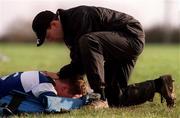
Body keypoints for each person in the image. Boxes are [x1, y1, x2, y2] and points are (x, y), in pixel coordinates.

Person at [32, 5, 175, 108]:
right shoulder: (69, 35)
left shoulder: (78, 17)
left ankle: (99, 98)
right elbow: (79, 65)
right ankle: (160, 84)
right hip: (116, 49)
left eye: (48, 36)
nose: (50, 41)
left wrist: (60, 74)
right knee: (115, 98)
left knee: (88, 41)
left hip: (131, 36)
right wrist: (63, 76)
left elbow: (83, 60)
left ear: (54, 24)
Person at [0, 70, 87, 100]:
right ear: (64, 89)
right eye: (67, 98)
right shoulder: (46, 85)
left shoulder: (44, 76)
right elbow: (52, 104)